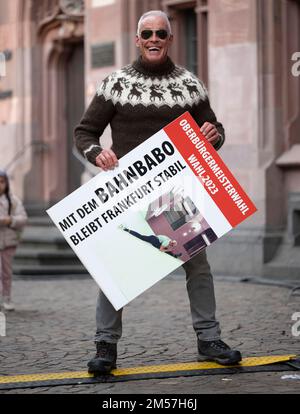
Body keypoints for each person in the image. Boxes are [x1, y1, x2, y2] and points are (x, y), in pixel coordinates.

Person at [74, 10, 242, 374]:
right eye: (146, 33)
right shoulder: (115, 83)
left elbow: (214, 129)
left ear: (170, 38)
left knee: (198, 266)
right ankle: (105, 346)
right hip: (127, 192)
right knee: (114, 271)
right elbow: (84, 132)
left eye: (160, 33)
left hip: (177, 196)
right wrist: (96, 152)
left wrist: (215, 136)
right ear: (137, 40)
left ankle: (208, 339)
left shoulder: (190, 85)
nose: (153, 39)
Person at [0, 170, 27, 311]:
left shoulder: (13, 201)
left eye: (2, 182)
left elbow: (23, 218)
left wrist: (11, 220)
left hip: (8, 242)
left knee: (6, 272)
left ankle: (7, 297)